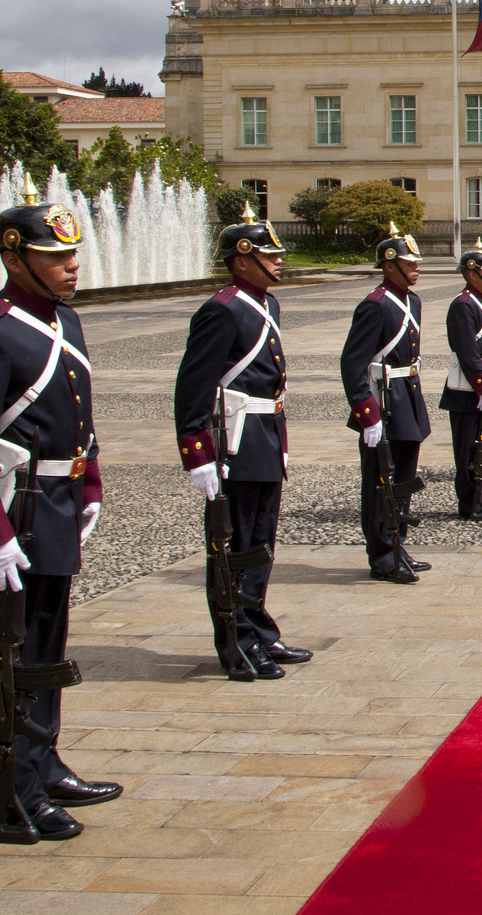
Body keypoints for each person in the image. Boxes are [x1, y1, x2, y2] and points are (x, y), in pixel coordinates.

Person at [0, 182, 122, 844]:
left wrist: (89, 485)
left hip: (56, 507)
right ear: (15, 259)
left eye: (74, 251)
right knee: (3, 655)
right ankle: (14, 791)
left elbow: (79, 418)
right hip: (11, 516)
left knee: (45, 645)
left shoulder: (64, 321)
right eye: (56, 254)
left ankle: (44, 758)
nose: (72, 264)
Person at [173, 206, 314, 680]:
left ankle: (260, 630)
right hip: (234, 443)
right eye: (268, 257)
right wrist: (197, 454)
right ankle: (236, 644)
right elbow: (193, 385)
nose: (277, 263)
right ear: (240, 260)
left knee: (260, 542)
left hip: (264, 436)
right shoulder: (222, 308)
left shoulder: (267, 304)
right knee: (234, 547)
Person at [340, 223, 431, 584]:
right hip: (383, 401)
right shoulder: (375, 305)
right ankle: (381, 553)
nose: (416, 267)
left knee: (404, 479)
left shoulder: (414, 301)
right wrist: (366, 412)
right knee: (380, 482)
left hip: (406, 396)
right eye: (409, 263)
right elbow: (352, 362)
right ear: (389, 265)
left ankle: (398, 543)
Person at [440, 245, 482, 520]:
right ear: (472, 273)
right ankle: (469, 502)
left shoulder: (480, 301)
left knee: (480, 446)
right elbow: (467, 351)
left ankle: (479, 496)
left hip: (480, 385)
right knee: (468, 447)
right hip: (467, 390)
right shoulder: (463, 305)